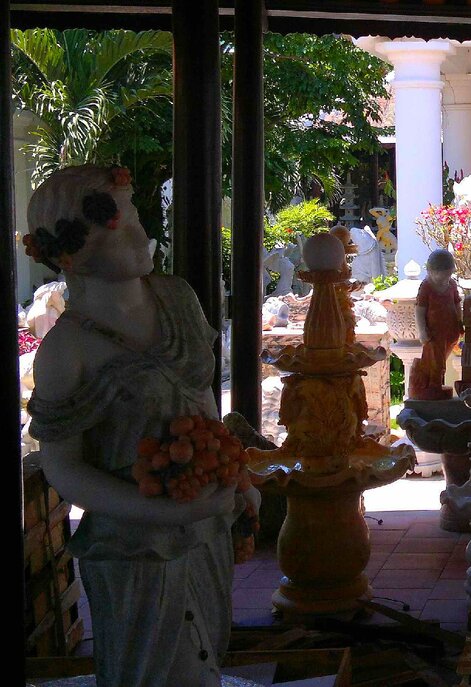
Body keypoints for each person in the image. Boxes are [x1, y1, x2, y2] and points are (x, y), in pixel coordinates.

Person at [26, 165, 259, 686]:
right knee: (160, 673)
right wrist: (160, 510)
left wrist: (236, 478)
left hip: (204, 526)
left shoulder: (177, 298)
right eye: (122, 225)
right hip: (134, 547)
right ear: (72, 252)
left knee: (208, 663)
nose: (140, 234)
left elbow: (203, 405)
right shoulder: (67, 349)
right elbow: (63, 468)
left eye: (136, 219)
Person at [410, 249, 463, 400]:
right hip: (434, 333)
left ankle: (436, 383)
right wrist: (422, 331)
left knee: (442, 359)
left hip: (450, 330)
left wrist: (459, 322)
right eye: (442, 275)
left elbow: (457, 305)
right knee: (435, 360)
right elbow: (420, 310)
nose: (446, 279)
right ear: (431, 271)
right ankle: (433, 385)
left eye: (448, 275)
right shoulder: (426, 287)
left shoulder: (452, 285)